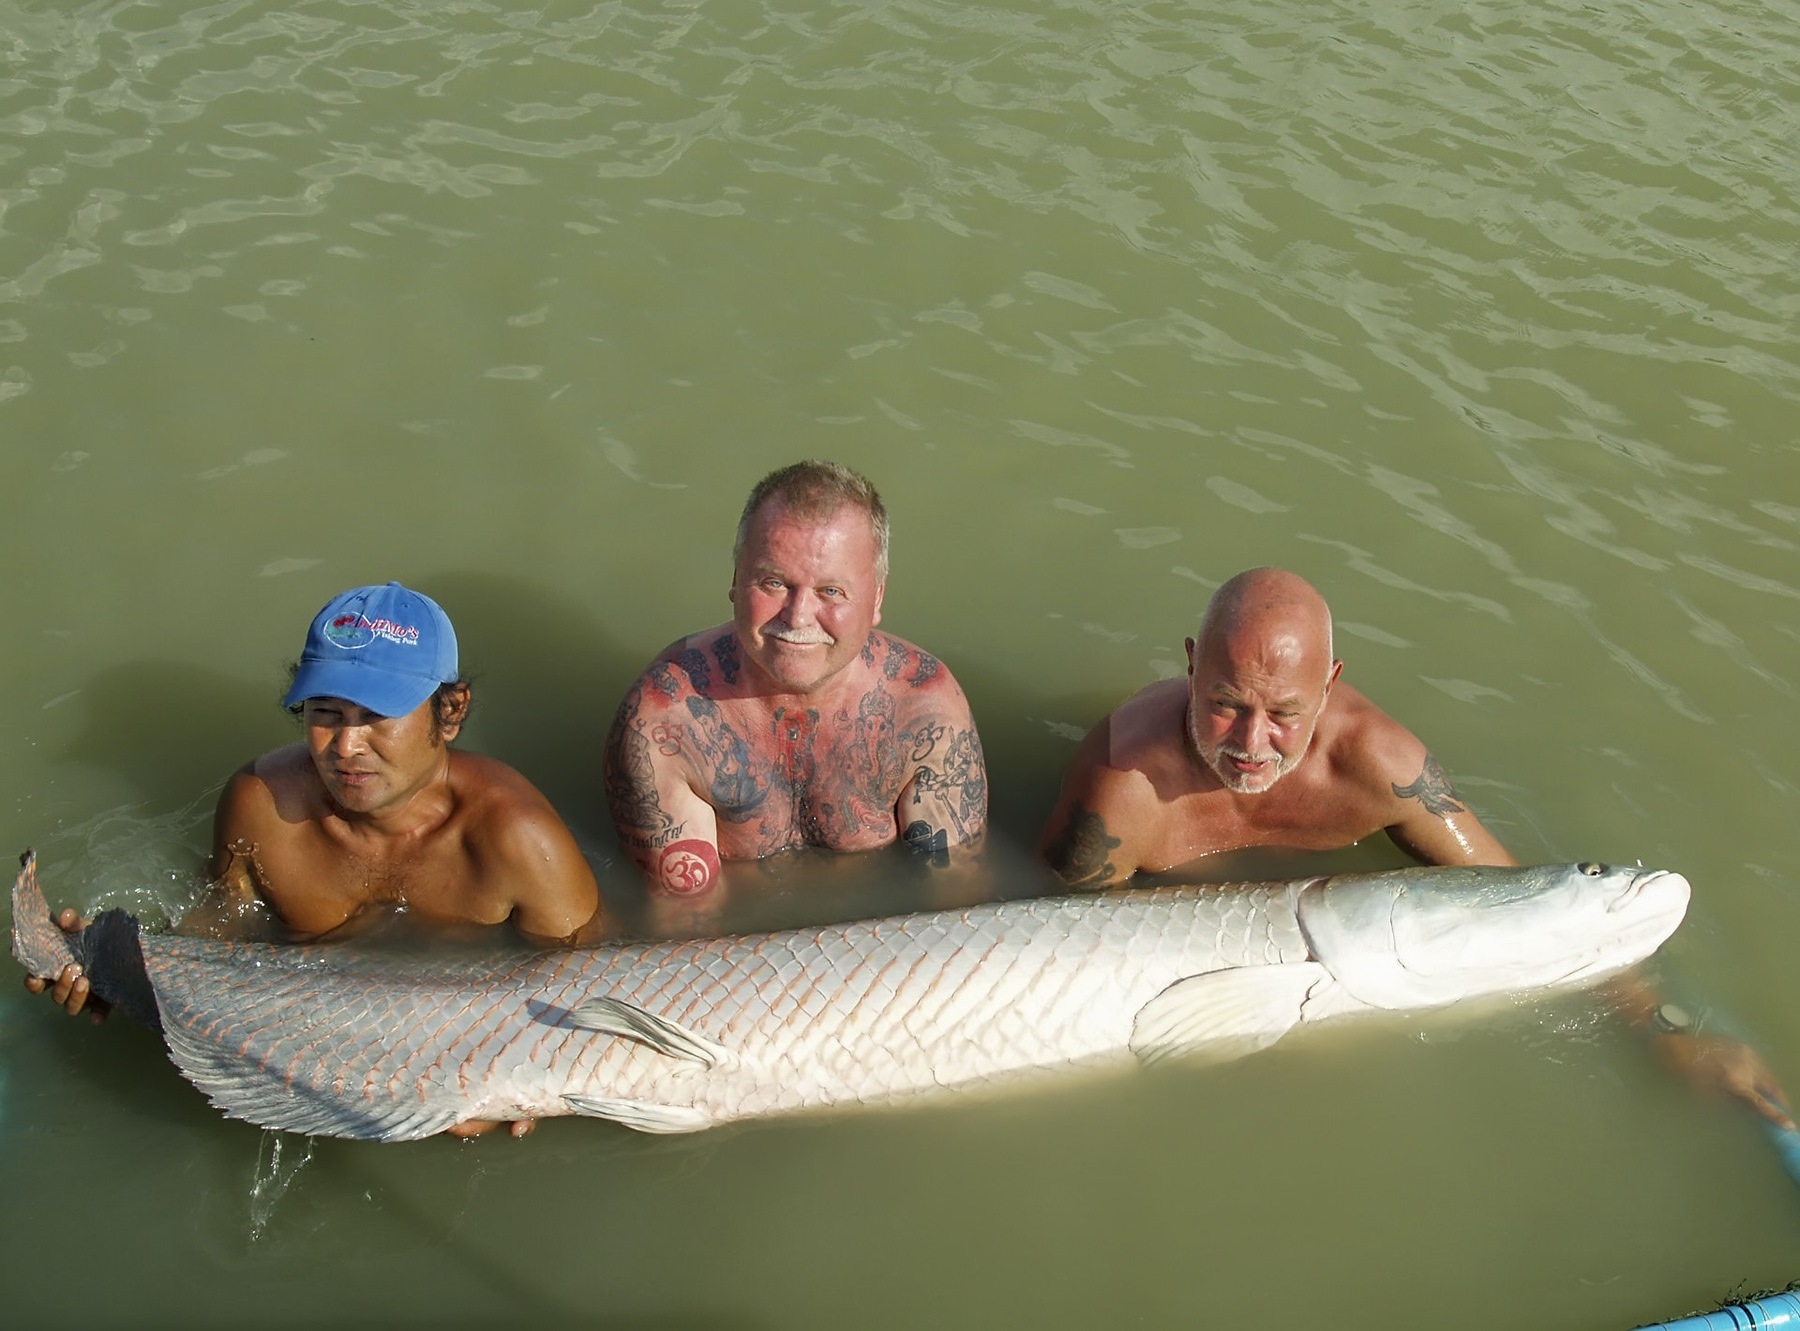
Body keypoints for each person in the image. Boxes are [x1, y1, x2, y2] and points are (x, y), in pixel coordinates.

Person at [1038, 566, 1792, 1129]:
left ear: (1330, 686)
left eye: (1283, 713)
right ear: (1192, 665)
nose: (1250, 743)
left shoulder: (1384, 768)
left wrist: (1665, 1031)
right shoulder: (1125, 786)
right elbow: (1062, 940)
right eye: (1227, 705)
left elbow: (1514, 896)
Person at [27, 583, 605, 1136]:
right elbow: (222, 938)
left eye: (377, 714)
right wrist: (119, 976)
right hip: (305, 1044)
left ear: (450, 713)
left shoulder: (520, 844)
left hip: (452, 1042)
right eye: (326, 713)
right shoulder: (263, 808)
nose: (347, 747)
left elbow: (588, 988)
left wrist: (524, 1084)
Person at [605, 461, 987, 898]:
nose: (798, 616)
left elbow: (951, 895)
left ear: (876, 598)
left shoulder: (925, 711)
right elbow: (686, 918)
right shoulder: (664, 722)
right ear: (735, 580)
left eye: (831, 591)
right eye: (773, 583)